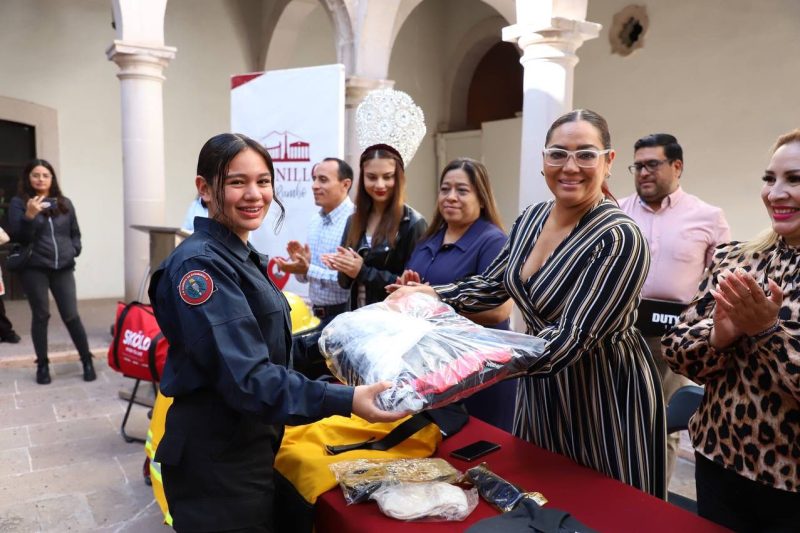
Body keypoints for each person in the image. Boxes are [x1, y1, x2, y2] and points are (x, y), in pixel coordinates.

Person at [390, 109, 666, 498]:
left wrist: (464, 366)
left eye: (586, 154)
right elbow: (492, 285)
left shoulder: (619, 237)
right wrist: (430, 294)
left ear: (609, 161)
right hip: (540, 390)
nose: (570, 166)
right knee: (541, 497)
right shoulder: (532, 218)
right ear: (543, 160)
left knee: (603, 506)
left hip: (603, 394)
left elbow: (569, 339)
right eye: (558, 154)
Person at [147, 133, 403, 532]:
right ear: (205, 189)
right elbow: (248, 378)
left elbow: (271, 350)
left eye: (263, 181)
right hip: (217, 465)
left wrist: (360, 331)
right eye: (237, 182)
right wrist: (348, 398)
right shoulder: (200, 268)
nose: (254, 194)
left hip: (247, 447)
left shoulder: (237, 255)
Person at [663, 130, 800, 531]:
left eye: (795, 179)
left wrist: (766, 332)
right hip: (718, 461)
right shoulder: (737, 258)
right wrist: (718, 338)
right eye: (769, 178)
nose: (775, 193)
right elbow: (676, 350)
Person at [618, 133, 730, 481]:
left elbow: (723, 278)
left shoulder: (707, 216)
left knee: (661, 422)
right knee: (615, 416)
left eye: (652, 164)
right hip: (619, 334)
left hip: (674, 339)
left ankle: (653, 498)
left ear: (676, 166)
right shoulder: (615, 212)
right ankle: (612, 489)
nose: (643, 173)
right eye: (637, 166)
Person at [391, 158, 515, 430]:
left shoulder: (493, 241)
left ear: (481, 198)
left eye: (462, 190)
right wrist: (407, 289)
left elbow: (500, 310)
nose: (451, 197)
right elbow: (421, 291)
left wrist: (432, 301)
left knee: (478, 453)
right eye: (445, 189)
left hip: (479, 372)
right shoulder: (429, 240)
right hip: (430, 368)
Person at [8, 159, 94, 385]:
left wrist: (75, 249)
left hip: (63, 266)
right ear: (28, 178)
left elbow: (75, 231)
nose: (40, 179)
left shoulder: (65, 203)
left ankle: (86, 360)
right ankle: (43, 365)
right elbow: (19, 236)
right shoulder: (19, 203)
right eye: (35, 175)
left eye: (45, 175)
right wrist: (29, 216)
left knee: (71, 315)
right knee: (41, 316)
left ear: (52, 178)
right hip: (34, 268)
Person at [322, 143, 427, 309]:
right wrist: (343, 265)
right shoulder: (354, 220)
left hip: (393, 321)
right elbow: (344, 283)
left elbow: (416, 287)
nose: (379, 185)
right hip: (358, 318)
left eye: (387, 176)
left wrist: (362, 271)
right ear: (362, 177)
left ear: (398, 178)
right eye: (371, 177)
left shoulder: (413, 223)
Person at [275, 158, 354, 324]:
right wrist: (301, 267)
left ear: (345, 185)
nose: (314, 185)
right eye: (314, 179)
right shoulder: (315, 220)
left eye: (323, 180)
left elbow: (348, 280)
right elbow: (305, 279)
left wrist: (308, 268)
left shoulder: (355, 222)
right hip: (316, 315)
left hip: (345, 316)